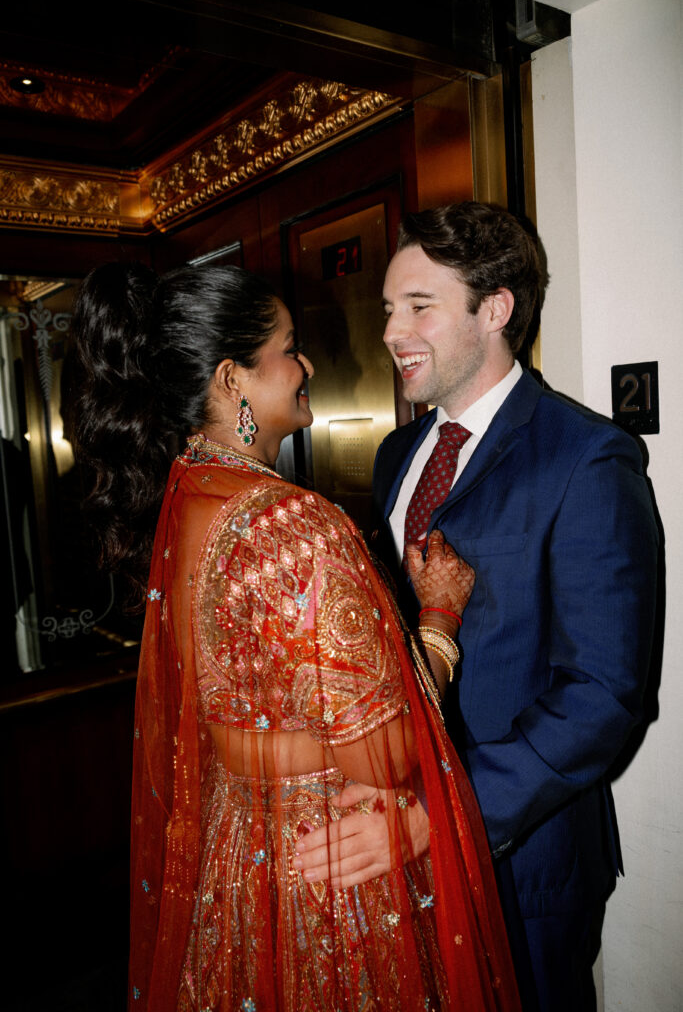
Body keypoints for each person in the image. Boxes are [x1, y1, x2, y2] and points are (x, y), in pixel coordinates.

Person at [65, 261, 522, 1011]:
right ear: (231, 378)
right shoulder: (288, 522)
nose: (305, 365)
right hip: (326, 870)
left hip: (240, 859)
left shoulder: (187, 498)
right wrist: (436, 624)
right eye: (287, 347)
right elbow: (383, 750)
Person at [294, 202, 659, 1011]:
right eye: (389, 307)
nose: (392, 331)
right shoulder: (398, 453)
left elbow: (603, 696)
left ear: (494, 309)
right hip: (392, 838)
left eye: (418, 306)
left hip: (519, 859)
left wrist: (442, 813)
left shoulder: (587, 459)